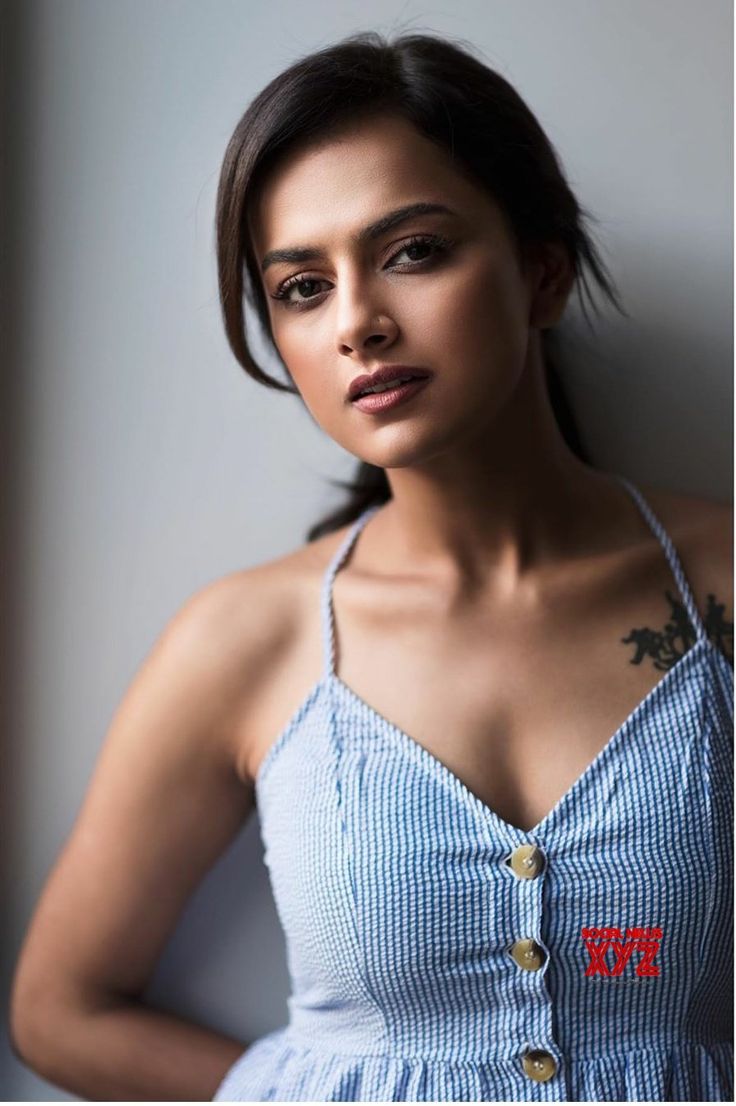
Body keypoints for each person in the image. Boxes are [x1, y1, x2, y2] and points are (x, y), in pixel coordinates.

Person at [10, 28, 733, 1104]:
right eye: (302, 286)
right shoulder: (246, 639)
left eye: (412, 252)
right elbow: (60, 1011)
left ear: (542, 270)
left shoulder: (714, 586)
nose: (358, 323)